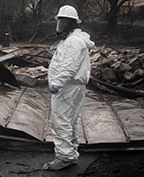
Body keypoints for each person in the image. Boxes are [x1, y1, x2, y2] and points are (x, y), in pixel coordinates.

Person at [43, 5, 94, 171]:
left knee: (61, 121)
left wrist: (56, 84)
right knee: (70, 121)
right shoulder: (74, 40)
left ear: (69, 23)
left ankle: (64, 157)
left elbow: (68, 66)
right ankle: (70, 153)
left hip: (66, 88)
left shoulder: (73, 42)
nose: (59, 26)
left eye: (62, 22)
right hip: (73, 87)